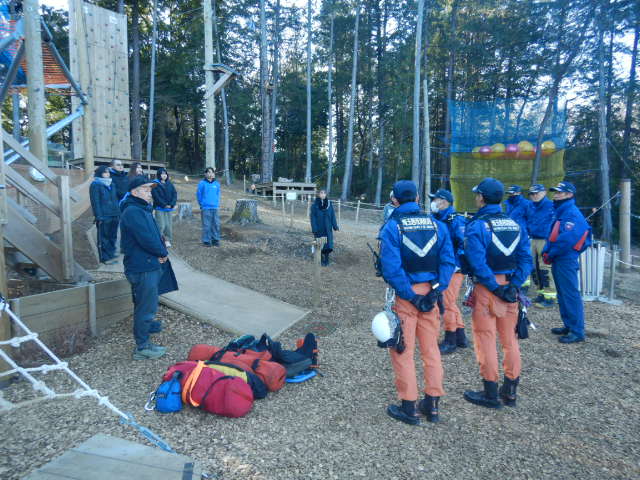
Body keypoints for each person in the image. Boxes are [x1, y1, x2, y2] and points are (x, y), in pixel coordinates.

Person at [378, 180, 455, 425]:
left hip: (407, 295)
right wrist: (435, 291)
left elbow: (391, 268)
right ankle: (432, 404)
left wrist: (411, 296)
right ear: (418, 198)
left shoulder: (392, 227)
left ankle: (409, 406)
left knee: (402, 350)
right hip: (431, 294)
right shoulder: (438, 225)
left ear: (394, 200)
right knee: (431, 349)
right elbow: (448, 262)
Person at [462, 178, 532, 409]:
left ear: (482, 198)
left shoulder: (477, 225)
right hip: (511, 288)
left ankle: (490, 392)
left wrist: (494, 287)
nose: (476, 198)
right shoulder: (515, 224)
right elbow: (526, 259)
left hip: (488, 287)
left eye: (477, 195)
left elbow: (477, 261)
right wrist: (514, 285)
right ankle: (510, 390)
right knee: (510, 340)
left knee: (486, 339)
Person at [120, 176, 169, 360]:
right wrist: (162, 252)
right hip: (142, 266)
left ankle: (146, 327)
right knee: (145, 306)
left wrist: (160, 250)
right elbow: (146, 238)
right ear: (134, 192)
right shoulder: (133, 211)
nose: (150, 193)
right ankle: (142, 347)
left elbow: (154, 234)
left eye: (150, 190)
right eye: (146, 189)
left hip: (147, 263)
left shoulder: (142, 209)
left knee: (145, 302)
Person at [542, 181, 591, 344]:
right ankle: (569, 325)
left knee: (570, 294)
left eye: (559, 192)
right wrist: (547, 251)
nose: (555, 195)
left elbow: (566, 240)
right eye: (555, 192)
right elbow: (553, 235)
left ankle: (577, 331)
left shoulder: (571, 214)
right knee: (563, 294)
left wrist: (550, 253)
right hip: (559, 258)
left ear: (569, 194)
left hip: (565, 259)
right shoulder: (562, 211)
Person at [428, 189, 469, 354]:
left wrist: (456, 265)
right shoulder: (437, 218)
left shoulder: (456, 220)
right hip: (442, 267)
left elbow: (464, 244)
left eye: (435, 199)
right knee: (450, 302)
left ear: (444, 201)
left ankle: (450, 339)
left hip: (452, 269)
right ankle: (461, 337)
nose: (432, 202)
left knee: (446, 303)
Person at [526, 184, 556, 308]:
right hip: (533, 238)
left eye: (536, 193)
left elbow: (554, 224)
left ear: (544, 192)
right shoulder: (531, 206)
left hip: (545, 239)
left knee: (545, 267)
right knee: (534, 267)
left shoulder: (551, 206)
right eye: (532, 194)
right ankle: (541, 292)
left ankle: (550, 296)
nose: (534, 196)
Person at [89, 165, 120, 265]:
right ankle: (105, 258)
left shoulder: (112, 184)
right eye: (105, 172)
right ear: (100, 173)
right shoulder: (95, 185)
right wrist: (98, 216)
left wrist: (118, 213)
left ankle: (111, 254)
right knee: (104, 238)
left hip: (114, 214)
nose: (108, 174)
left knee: (113, 236)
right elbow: (95, 201)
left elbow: (115, 199)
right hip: (104, 215)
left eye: (108, 172)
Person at [310, 190, 339, 266]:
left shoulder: (329, 204)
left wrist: (335, 226)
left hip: (327, 228)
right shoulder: (314, 205)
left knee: (327, 244)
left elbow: (332, 216)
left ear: (326, 194)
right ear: (318, 194)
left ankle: (326, 260)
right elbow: (313, 218)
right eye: (321, 193)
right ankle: (321, 259)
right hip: (319, 228)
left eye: (324, 193)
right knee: (319, 243)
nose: (323, 194)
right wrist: (314, 228)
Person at [152, 168, 177, 248]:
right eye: (162, 174)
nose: (164, 175)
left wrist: (172, 204)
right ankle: (158, 240)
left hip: (169, 208)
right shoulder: (155, 183)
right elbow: (155, 196)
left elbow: (174, 194)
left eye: (165, 174)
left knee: (168, 225)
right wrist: (164, 204)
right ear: (159, 175)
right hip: (160, 208)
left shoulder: (169, 183)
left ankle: (167, 240)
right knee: (161, 225)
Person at [197, 167, 221, 247]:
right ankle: (206, 240)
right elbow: (199, 194)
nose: (211, 174)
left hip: (215, 207)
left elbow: (218, 194)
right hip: (205, 208)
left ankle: (215, 239)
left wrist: (217, 203)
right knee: (206, 225)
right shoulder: (202, 183)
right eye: (209, 172)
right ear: (205, 174)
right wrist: (201, 204)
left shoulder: (217, 184)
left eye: (212, 172)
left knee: (216, 224)